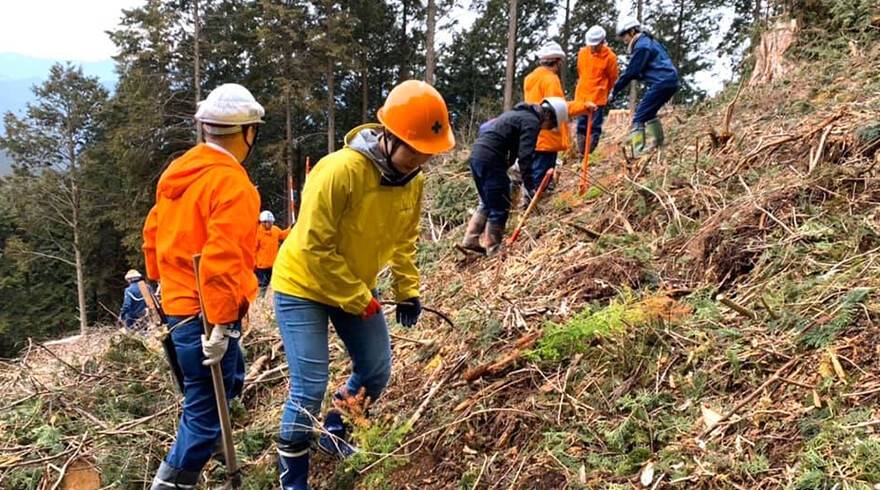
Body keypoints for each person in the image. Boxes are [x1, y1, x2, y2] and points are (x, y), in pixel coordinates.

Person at [270, 80, 454, 490]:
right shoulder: (339, 171)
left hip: (353, 285)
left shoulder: (414, 179)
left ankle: (336, 432)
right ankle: (292, 481)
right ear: (391, 136)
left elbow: (405, 239)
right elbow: (316, 248)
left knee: (376, 368)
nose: (420, 160)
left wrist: (408, 289)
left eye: (428, 153)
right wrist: (358, 297)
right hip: (303, 285)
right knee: (309, 386)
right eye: (415, 149)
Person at [142, 83, 264, 490]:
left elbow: (153, 233)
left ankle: (210, 441)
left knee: (225, 383)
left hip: (179, 308)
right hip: (204, 313)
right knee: (205, 410)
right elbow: (222, 262)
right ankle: (173, 481)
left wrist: (163, 283)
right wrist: (223, 324)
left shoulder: (178, 174)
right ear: (247, 132)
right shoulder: (232, 185)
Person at [461, 97, 569, 255]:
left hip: (477, 156)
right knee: (501, 204)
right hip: (491, 159)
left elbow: (513, 149)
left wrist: (507, 166)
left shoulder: (517, 115)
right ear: (550, 116)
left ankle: (470, 238)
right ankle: (493, 249)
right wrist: (530, 187)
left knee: (487, 201)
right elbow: (526, 157)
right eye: (551, 125)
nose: (547, 129)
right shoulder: (532, 122)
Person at [610, 18, 680, 157]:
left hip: (661, 82)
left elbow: (632, 71)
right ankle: (659, 143)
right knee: (649, 112)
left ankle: (638, 152)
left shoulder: (641, 46)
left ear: (632, 31)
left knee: (639, 117)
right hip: (671, 80)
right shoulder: (651, 41)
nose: (624, 40)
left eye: (624, 35)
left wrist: (614, 90)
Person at [523, 41, 569, 196]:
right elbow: (558, 107)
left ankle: (529, 204)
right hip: (548, 136)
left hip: (532, 134)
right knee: (541, 179)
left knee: (533, 175)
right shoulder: (550, 79)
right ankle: (533, 210)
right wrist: (583, 106)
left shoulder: (530, 78)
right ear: (558, 61)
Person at [572, 25, 618, 155]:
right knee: (581, 126)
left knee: (594, 128)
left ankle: (589, 154)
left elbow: (613, 78)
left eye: (595, 45)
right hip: (582, 97)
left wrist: (605, 93)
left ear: (602, 42)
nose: (592, 47)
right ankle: (582, 154)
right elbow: (581, 72)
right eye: (590, 45)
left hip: (598, 98)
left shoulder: (610, 57)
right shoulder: (582, 54)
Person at [254, 210, 291, 294]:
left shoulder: (275, 230)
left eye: (271, 222)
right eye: (269, 222)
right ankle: (260, 301)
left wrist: (291, 228)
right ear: (263, 223)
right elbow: (253, 250)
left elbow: (283, 235)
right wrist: (253, 264)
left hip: (273, 265)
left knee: (275, 285)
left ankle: (269, 301)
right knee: (262, 285)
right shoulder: (257, 233)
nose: (271, 224)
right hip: (261, 267)